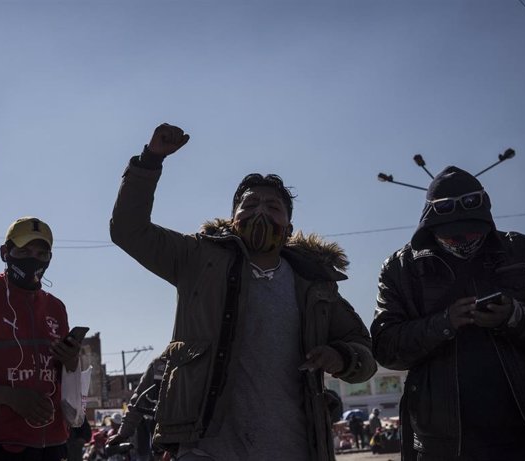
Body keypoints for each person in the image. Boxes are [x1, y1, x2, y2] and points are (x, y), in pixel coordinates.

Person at [110, 123, 377, 460]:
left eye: (273, 207)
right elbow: (127, 230)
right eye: (249, 206)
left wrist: (342, 356)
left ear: (289, 228)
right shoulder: (198, 258)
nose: (261, 212)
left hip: (293, 447)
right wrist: (150, 161)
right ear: (233, 219)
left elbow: (364, 351)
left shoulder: (314, 285)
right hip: (206, 448)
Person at [372, 166, 525, 460]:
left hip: (524, 434)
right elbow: (385, 348)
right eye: (452, 236)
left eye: (471, 232)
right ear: (430, 226)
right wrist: (443, 324)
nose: (463, 240)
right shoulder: (401, 268)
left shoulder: (522, 251)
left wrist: (514, 316)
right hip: (442, 445)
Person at [0, 217, 80, 460]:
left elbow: (61, 376)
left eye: (42, 254)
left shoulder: (56, 307)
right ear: (4, 252)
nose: (34, 259)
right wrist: (12, 398)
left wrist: (71, 362)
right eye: (24, 250)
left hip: (54, 442)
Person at [108, 355, 168, 461]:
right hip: (168, 443)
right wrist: (123, 433)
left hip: (180, 440)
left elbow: (138, 402)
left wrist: (123, 433)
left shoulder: (162, 363)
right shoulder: (161, 364)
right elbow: (139, 401)